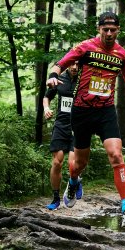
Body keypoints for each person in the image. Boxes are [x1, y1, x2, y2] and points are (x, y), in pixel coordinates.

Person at [46, 11, 125, 226]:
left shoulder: (122, 55)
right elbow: (61, 63)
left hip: (105, 111)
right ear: (99, 29)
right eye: (105, 30)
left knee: (116, 156)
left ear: (118, 30)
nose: (109, 33)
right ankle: (74, 181)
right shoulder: (85, 47)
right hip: (82, 111)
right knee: (79, 164)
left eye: (113, 30)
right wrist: (53, 76)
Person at [43, 62, 82, 210]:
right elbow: (47, 97)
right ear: (67, 65)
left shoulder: (84, 80)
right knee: (57, 162)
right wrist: (46, 108)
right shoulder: (59, 79)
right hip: (61, 125)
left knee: (72, 165)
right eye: (72, 65)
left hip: (77, 127)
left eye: (78, 65)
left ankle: (75, 181)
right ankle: (55, 198)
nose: (74, 67)